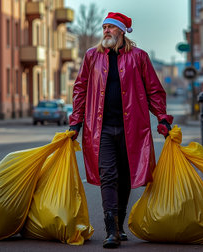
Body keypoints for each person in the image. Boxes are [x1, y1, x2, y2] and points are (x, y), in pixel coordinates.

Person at [69, 12, 173, 249]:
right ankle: (111, 231)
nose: (106, 30)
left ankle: (119, 226)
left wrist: (163, 119)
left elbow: (154, 91)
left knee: (125, 178)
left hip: (132, 129)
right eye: (104, 27)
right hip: (101, 129)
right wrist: (75, 122)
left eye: (111, 27)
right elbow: (80, 89)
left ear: (122, 31)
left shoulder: (139, 57)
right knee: (109, 175)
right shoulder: (91, 56)